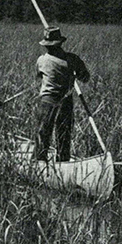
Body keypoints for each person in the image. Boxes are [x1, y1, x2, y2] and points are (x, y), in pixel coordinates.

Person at [33, 27, 90, 162]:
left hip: (48, 101)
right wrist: (74, 73)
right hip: (64, 101)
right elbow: (85, 78)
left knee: (43, 133)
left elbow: (38, 76)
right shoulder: (72, 59)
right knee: (63, 135)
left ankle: (40, 161)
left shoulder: (42, 60)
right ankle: (61, 161)